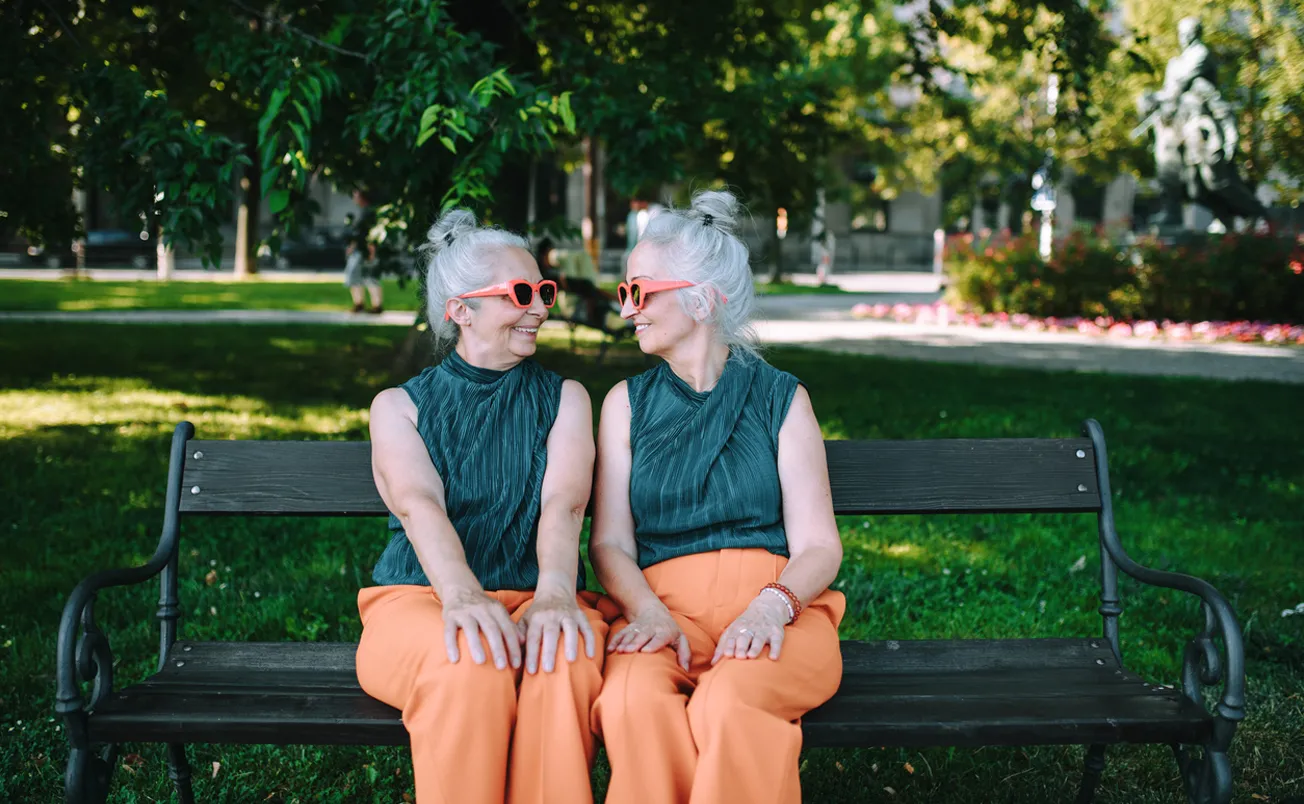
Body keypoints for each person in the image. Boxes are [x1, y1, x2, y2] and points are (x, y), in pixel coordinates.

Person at [589, 189, 846, 804]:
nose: (628, 310)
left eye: (640, 292)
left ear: (702, 297)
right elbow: (610, 542)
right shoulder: (626, 405)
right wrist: (647, 611)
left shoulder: (782, 399)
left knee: (731, 704)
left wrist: (770, 607)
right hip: (661, 612)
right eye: (625, 294)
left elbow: (819, 545)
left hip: (779, 609)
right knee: (631, 702)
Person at [355, 209, 607, 804]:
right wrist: (464, 596)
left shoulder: (566, 398)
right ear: (460, 310)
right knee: (471, 663)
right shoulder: (398, 407)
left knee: (564, 657)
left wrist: (554, 594)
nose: (541, 308)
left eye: (544, 290)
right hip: (419, 600)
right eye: (521, 294)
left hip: (535, 595)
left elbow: (564, 508)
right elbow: (419, 507)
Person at [344, 189, 384, 314]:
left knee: (369, 277)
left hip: (365, 251)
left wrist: (371, 251)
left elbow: (371, 235)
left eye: (356, 196)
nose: (354, 198)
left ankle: (374, 305)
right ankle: (360, 303)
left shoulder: (370, 213)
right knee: (358, 276)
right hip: (360, 251)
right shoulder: (364, 213)